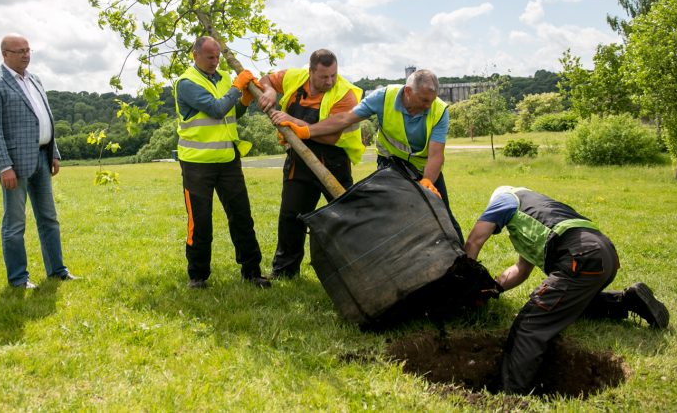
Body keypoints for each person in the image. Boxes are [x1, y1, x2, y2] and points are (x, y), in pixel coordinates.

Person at [463, 186, 670, 394]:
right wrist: (492, 290)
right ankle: (627, 300)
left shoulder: (505, 199)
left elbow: (474, 240)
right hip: (604, 255)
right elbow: (521, 270)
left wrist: (465, 285)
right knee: (564, 305)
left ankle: (511, 393)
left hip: (581, 257)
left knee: (529, 324)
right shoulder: (541, 210)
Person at [278, 68, 463, 242]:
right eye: (423, 100)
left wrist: (428, 180)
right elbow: (344, 119)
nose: (428, 106)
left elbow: (436, 154)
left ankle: (462, 262)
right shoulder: (383, 98)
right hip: (391, 165)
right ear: (407, 91)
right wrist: (308, 131)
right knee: (390, 216)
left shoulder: (439, 110)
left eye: (431, 100)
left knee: (442, 214)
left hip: (425, 169)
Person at [0, 34, 76, 289]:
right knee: (15, 224)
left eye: (28, 49)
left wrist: (54, 152)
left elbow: (45, 118)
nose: (25, 55)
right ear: (5, 54)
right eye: (19, 51)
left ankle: (57, 270)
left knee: (49, 218)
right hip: (15, 164)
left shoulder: (35, 80)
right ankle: (19, 278)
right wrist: (3, 166)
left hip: (42, 158)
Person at [256, 49, 364, 279]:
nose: (330, 81)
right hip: (299, 159)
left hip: (333, 161)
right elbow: (266, 80)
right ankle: (284, 271)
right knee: (291, 215)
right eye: (324, 76)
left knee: (344, 215)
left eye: (333, 75)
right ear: (311, 70)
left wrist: (296, 124)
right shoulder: (295, 77)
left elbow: (331, 135)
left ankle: (360, 265)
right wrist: (269, 91)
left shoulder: (345, 94)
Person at [174, 36, 270, 289]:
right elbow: (216, 109)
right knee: (201, 222)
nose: (215, 62)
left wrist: (245, 101)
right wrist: (238, 87)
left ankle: (252, 272)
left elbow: (230, 112)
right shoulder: (186, 83)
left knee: (242, 217)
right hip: (196, 163)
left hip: (228, 159)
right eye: (209, 57)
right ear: (195, 54)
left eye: (217, 57)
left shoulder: (226, 79)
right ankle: (198, 277)